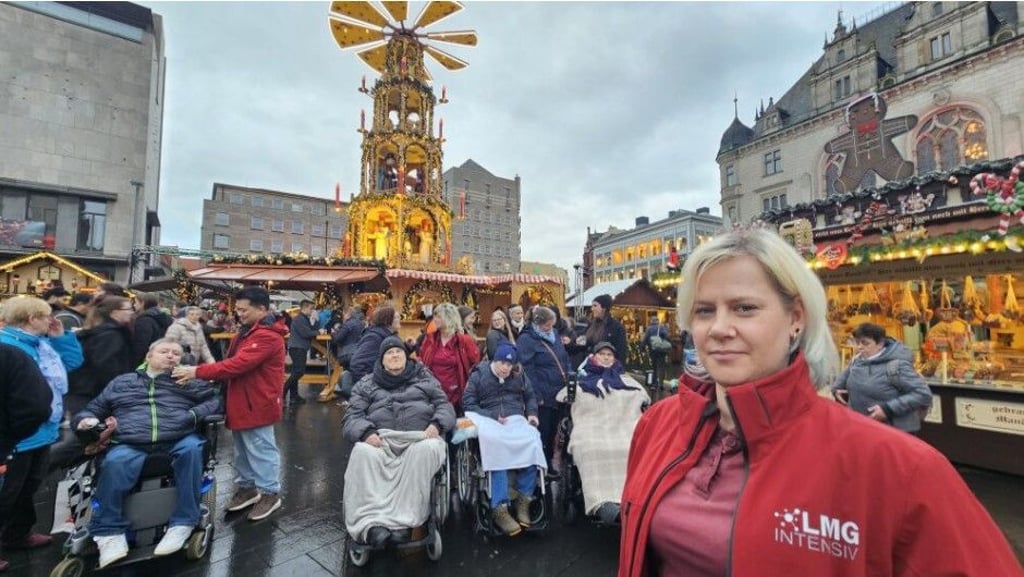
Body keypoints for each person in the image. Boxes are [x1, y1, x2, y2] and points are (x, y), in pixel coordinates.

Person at [618, 228, 1023, 577]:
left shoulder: (899, 468)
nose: (720, 328)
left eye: (744, 308)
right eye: (705, 311)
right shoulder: (657, 424)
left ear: (796, 317)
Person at [73, 339, 221, 568]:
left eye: (176, 353)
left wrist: (193, 415)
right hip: (132, 440)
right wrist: (85, 421)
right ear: (149, 356)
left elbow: (214, 400)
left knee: (192, 450)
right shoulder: (122, 382)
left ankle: (183, 522)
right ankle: (109, 532)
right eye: (164, 351)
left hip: (178, 437)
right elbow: (93, 408)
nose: (171, 356)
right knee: (114, 461)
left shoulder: (187, 381)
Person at [172, 286, 287, 522]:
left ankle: (270, 493)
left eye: (244, 310)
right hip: (243, 399)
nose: (239, 314)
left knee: (261, 449)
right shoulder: (248, 332)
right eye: (238, 310)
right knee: (243, 449)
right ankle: (247, 488)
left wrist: (196, 371)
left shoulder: (266, 336)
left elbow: (236, 365)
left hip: (257, 402)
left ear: (262, 309)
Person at [341, 336, 455, 547]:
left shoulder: (425, 378)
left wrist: (437, 425)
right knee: (362, 453)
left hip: (420, 437)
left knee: (426, 450)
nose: (394, 355)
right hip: (382, 439)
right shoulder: (366, 384)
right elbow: (352, 416)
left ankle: (404, 523)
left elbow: (444, 406)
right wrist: (366, 433)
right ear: (381, 360)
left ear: (406, 356)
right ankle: (371, 525)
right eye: (389, 353)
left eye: (398, 351)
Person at [0, 296, 83, 567]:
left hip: (43, 430)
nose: (52, 320)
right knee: (7, 491)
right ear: (31, 318)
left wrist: (61, 338)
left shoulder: (42, 344)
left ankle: (17, 534)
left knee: (28, 487)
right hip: (17, 435)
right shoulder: (8, 346)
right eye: (46, 315)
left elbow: (72, 363)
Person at [559, 342, 647, 525]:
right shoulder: (583, 380)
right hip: (592, 428)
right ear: (594, 357)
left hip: (625, 427)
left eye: (609, 355)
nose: (606, 357)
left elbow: (643, 396)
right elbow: (563, 396)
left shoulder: (626, 380)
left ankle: (635, 497)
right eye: (602, 354)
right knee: (591, 449)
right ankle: (601, 501)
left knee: (637, 449)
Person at [462, 342, 542, 536]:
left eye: (509, 364)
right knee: (496, 445)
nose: (505, 368)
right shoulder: (479, 374)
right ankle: (500, 507)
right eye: (502, 363)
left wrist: (532, 413)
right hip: (489, 418)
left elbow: (530, 396)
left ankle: (524, 498)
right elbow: (468, 402)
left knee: (533, 440)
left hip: (515, 417)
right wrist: (490, 416)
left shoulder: (519, 375)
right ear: (494, 360)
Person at [0, 345, 53, 574]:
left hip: (10, 440)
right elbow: (36, 405)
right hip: (8, 441)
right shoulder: (11, 354)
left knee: (17, 490)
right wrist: (11, 435)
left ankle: (16, 534)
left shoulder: (11, 355)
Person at [832, 322, 932, 434]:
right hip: (862, 430)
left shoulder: (897, 365)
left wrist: (887, 409)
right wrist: (836, 390)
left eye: (865, 343)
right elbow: (840, 383)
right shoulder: (857, 360)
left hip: (893, 433)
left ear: (880, 344)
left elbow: (923, 394)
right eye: (857, 342)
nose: (859, 347)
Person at [515, 306, 571, 469]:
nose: (550, 328)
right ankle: (539, 464)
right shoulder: (526, 340)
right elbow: (528, 370)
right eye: (547, 325)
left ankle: (551, 461)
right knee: (543, 431)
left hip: (559, 392)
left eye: (552, 325)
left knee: (555, 431)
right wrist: (535, 394)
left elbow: (564, 358)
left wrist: (569, 374)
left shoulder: (554, 335)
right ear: (537, 324)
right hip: (542, 393)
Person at [66, 296, 136, 416]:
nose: (132, 312)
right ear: (114, 313)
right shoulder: (111, 335)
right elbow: (106, 366)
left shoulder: (99, 332)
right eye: (128, 309)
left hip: (85, 391)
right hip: (95, 393)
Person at [418, 303, 481, 415]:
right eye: (434, 316)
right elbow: (422, 359)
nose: (434, 319)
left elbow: (476, 365)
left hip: (456, 394)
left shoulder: (464, 341)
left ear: (448, 318)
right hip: (433, 392)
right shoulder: (430, 339)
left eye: (438, 316)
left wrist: (469, 385)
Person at [325, 305, 366, 403]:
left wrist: (333, 333)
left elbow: (338, 338)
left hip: (347, 353)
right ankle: (357, 397)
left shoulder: (348, 324)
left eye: (344, 314)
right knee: (354, 375)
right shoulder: (360, 323)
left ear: (347, 314)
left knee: (347, 375)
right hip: (358, 352)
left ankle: (350, 398)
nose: (343, 316)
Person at [282, 300, 318, 406]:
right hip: (298, 347)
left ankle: (294, 396)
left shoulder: (303, 318)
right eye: (311, 308)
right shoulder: (299, 319)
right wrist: (318, 332)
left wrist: (315, 321)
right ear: (304, 308)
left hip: (298, 347)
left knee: (295, 372)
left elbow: (310, 330)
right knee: (299, 371)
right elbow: (306, 333)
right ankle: (283, 391)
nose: (312, 311)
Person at [131, 293, 173, 366]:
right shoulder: (164, 317)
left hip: (144, 361)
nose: (134, 305)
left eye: (136, 302)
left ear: (142, 303)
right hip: (159, 358)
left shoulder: (144, 320)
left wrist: (134, 363)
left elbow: (141, 344)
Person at [584, 294, 627, 363]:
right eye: (592, 306)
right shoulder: (591, 325)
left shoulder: (616, 327)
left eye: (595, 306)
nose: (592, 309)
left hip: (607, 366)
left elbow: (621, 352)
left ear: (604, 308)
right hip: (590, 365)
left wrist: (616, 367)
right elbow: (584, 345)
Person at [641, 317, 671, 389]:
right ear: (658, 321)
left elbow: (645, 339)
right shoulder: (662, 327)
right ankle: (661, 384)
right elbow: (667, 337)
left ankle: (654, 383)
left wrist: (642, 348)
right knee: (661, 367)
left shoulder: (649, 329)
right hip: (661, 351)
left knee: (654, 367)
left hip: (653, 351)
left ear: (651, 321)